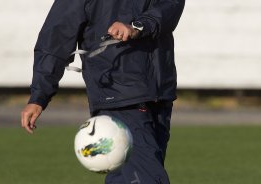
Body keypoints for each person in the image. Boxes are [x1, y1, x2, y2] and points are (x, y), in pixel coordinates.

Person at [21, 0, 185, 183]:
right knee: (146, 178)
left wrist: (139, 26)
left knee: (127, 177)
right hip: (118, 97)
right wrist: (39, 96)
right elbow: (56, 39)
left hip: (160, 94)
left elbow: (171, 5)